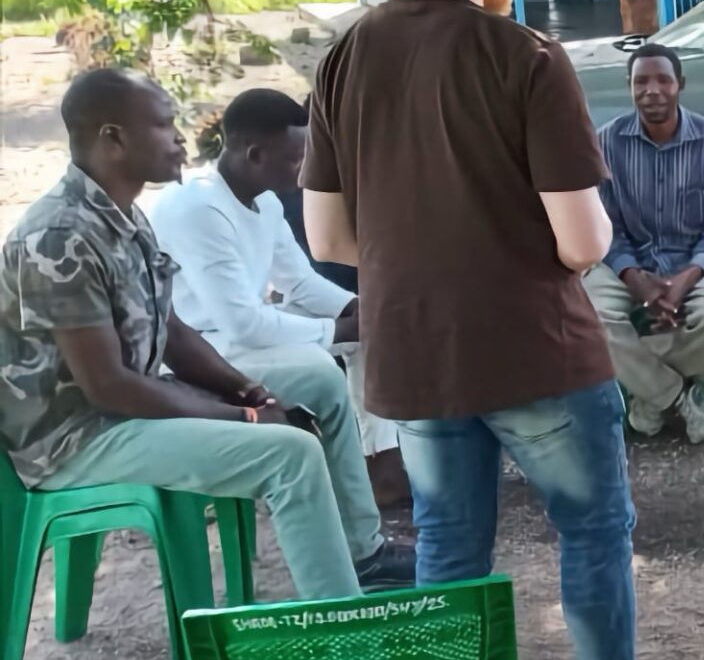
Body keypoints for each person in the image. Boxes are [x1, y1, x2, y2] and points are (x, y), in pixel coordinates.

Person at [302, 0, 704, 660]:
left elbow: (329, 236)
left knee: (449, 547)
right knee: (592, 536)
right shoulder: (524, 56)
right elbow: (579, 242)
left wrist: (429, 261)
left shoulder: (344, 58)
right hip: (535, 354)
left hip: (418, 354)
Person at [1, 70, 413, 599]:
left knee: (318, 388)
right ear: (113, 138)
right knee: (289, 453)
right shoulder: (61, 236)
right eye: (163, 124)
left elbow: (171, 330)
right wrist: (244, 417)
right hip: (77, 438)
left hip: (119, 410)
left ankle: (364, 557)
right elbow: (108, 387)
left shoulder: (121, 217)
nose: (179, 137)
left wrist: (249, 391)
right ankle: (338, 624)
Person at [147, 89, 407, 506]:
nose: (305, 173)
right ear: (255, 155)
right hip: (198, 351)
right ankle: (361, 480)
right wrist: (339, 328)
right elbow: (244, 325)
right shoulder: (198, 207)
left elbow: (300, 282)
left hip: (233, 336)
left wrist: (355, 308)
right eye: (296, 159)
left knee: (369, 333)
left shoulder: (263, 201)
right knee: (326, 362)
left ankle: (380, 461)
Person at [582, 43, 704, 444]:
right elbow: (605, 227)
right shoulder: (607, 143)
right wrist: (637, 280)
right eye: (641, 81)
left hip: (697, 261)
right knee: (589, 314)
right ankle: (678, 396)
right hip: (627, 261)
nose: (652, 90)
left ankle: (649, 397)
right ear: (629, 87)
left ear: (680, 85)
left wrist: (683, 282)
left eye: (663, 80)